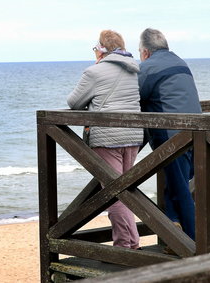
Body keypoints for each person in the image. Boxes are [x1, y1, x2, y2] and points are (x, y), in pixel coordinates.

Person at [67, 30, 144, 249]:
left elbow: (74, 102)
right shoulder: (132, 70)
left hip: (107, 138)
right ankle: (132, 242)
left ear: (100, 48)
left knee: (113, 195)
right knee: (125, 192)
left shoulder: (94, 71)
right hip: (132, 136)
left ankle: (124, 245)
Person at [138, 28, 201, 241]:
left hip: (172, 138)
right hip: (195, 133)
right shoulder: (181, 63)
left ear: (145, 52)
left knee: (181, 190)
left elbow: (135, 98)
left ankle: (195, 248)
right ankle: (173, 235)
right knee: (175, 186)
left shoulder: (147, 67)